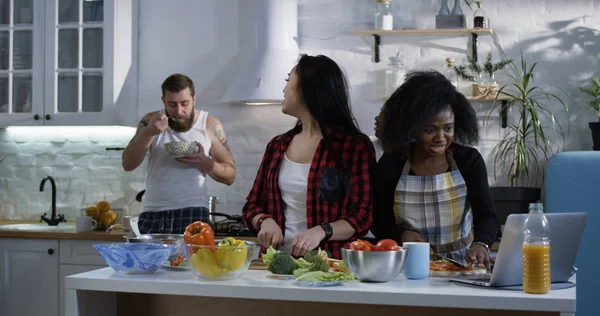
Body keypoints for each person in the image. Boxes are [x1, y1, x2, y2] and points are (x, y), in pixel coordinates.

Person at [242, 55, 376, 260]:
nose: (284, 89)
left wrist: (321, 231)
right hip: (275, 264)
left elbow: (362, 216)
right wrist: (264, 221)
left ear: (308, 89)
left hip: (329, 266)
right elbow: (252, 204)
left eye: (288, 80)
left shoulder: (354, 146)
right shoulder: (277, 146)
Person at [371, 70, 499, 270]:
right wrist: (402, 235)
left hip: (461, 266)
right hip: (406, 266)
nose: (440, 138)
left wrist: (481, 244)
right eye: (430, 130)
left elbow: (487, 216)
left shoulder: (468, 160)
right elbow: (378, 221)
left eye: (448, 128)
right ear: (413, 128)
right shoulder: (393, 163)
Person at [122, 73, 236, 234]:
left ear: (194, 99)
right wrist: (148, 133)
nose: (179, 111)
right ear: (163, 101)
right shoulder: (150, 121)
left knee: (192, 260)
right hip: (153, 213)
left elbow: (230, 175)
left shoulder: (209, 124)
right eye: (172, 104)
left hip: (195, 212)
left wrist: (206, 163)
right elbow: (127, 164)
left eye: (185, 103)